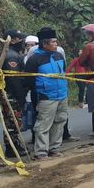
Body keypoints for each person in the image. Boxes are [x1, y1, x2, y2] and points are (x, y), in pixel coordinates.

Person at [24, 27, 68, 160]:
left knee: (59, 121)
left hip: (62, 95)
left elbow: (64, 72)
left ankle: (54, 148)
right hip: (46, 97)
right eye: (53, 42)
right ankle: (41, 152)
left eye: (56, 41)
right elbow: (29, 80)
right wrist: (40, 90)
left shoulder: (58, 55)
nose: (56, 44)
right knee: (43, 124)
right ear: (45, 43)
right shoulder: (35, 59)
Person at [2, 29, 28, 157]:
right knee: (12, 120)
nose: (22, 41)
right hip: (12, 94)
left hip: (12, 93)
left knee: (13, 120)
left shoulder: (13, 53)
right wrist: (20, 96)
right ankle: (12, 147)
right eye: (19, 39)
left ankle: (14, 145)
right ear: (11, 40)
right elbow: (14, 79)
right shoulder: (11, 55)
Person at [22, 35, 39, 136]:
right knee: (31, 117)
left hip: (39, 90)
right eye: (28, 45)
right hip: (28, 93)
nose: (29, 47)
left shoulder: (40, 58)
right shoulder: (23, 59)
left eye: (32, 45)